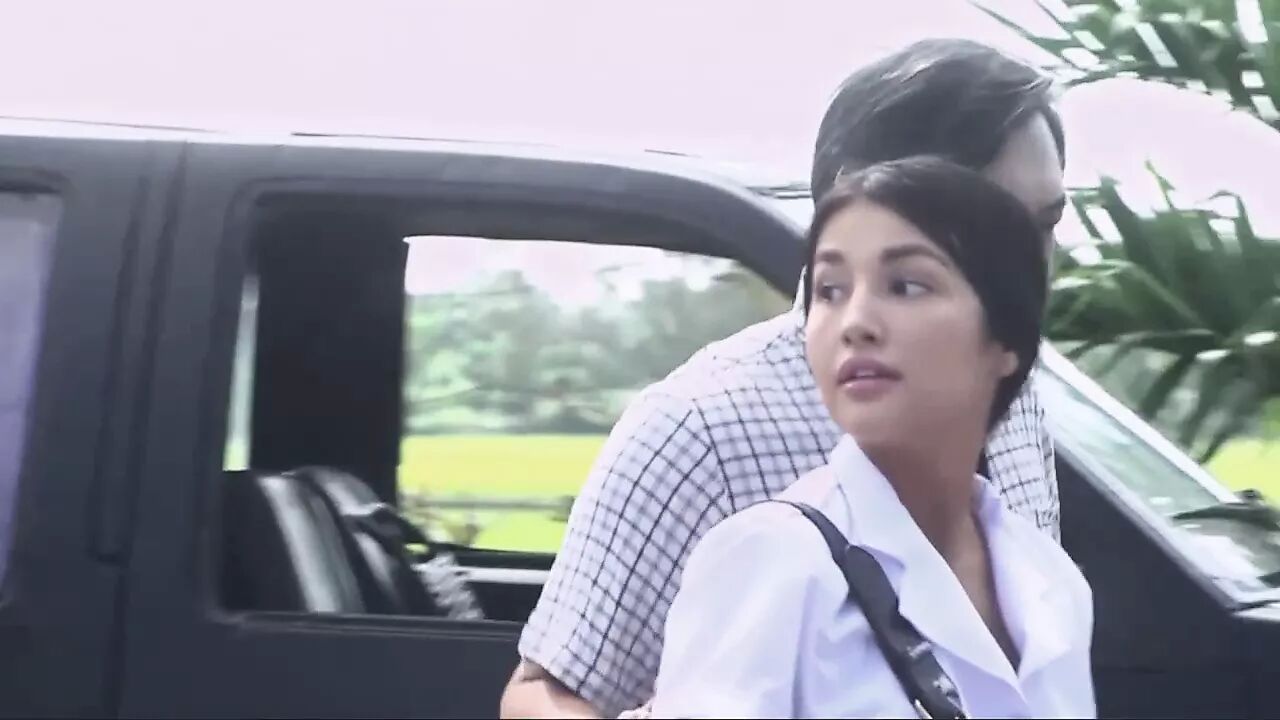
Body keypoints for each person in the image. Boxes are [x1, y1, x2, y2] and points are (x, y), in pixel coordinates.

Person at [500, 38, 1069, 720]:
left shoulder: (1017, 403)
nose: (1030, 271)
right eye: (995, 235)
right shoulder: (702, 432)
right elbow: (541, 697)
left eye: (1045, 227)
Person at [650, 156, 1094, 718]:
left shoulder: (1051, 582)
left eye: (905, 286)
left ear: (1005, 338)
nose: (855, 322)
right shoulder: (772, 560)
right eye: (830, 290)